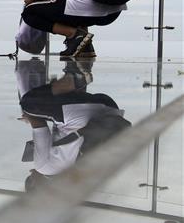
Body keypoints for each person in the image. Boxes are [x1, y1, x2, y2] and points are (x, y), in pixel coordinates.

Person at [18, 59, 129, 191]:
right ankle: (74, 78)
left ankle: (76, 66)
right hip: (79, 112)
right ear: (37, 184)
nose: (31, 172)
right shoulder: (43, 167)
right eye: (30, 178)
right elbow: (39, 125)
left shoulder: (74, 176)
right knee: (28, 104)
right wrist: (29, 117)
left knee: (59, 112)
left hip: (110, 109)